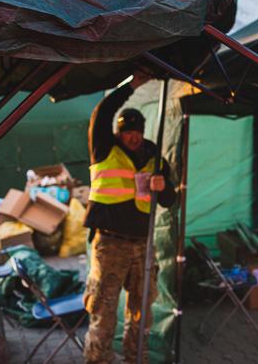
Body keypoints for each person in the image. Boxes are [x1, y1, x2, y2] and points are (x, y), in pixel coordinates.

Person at [83, 70, 177, 364]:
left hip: (142, 245)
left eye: (137, 132)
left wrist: (165, 187)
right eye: (128, 132)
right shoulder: (104, 147)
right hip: (110, 244)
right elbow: (103, 112)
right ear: (119, 132)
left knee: (142, 312)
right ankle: (98, 361)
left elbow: (170, 199)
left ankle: (136, 359)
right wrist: (132, 85)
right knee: (104, 313)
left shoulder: (153, 154)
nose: (133, 138)